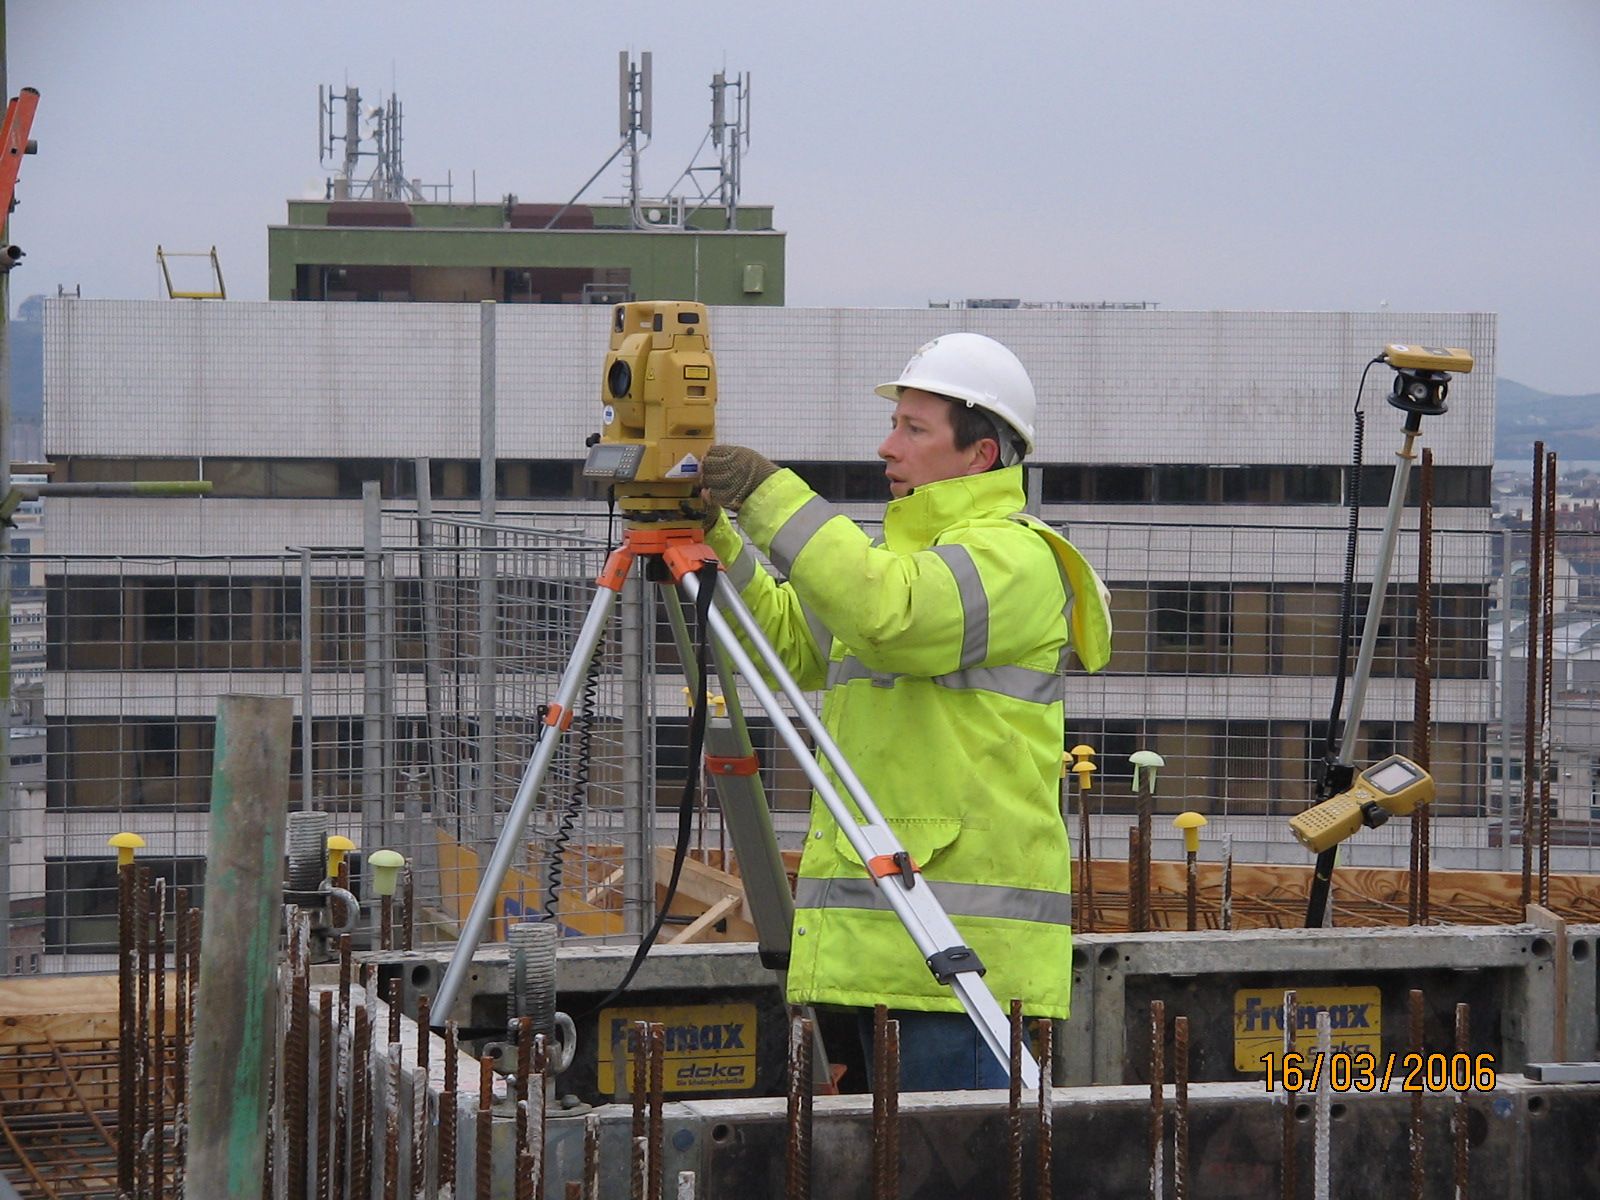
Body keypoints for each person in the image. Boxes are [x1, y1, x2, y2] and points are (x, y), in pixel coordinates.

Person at [699, 332, 1112, 1090]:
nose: (887, 447)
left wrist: (765, 495)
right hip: (882, 944)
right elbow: (786, 645)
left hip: (963, 958)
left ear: (980, 454)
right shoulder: (899, 563)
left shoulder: (1014, 558)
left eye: (913, 429)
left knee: (954, 1171)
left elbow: (890, 615)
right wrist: (712, 535)